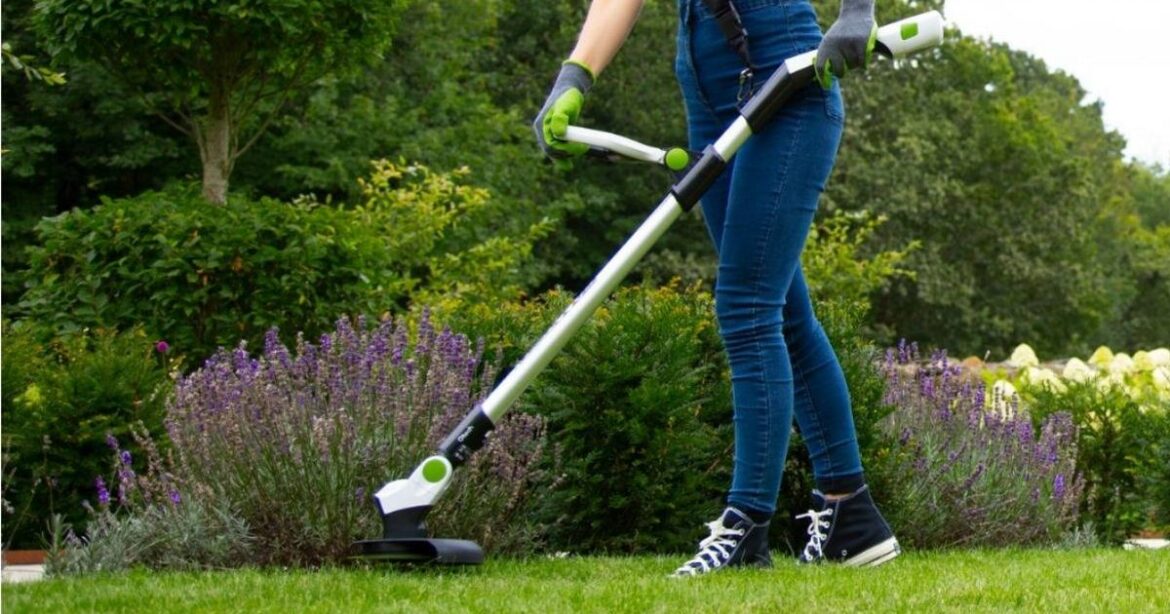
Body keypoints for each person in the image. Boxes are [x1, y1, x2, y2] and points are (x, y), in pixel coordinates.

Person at [533, 0, 899, 576]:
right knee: (783, 312)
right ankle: (850, 516)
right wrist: (574, 76)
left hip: (786, 67)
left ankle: (746, 528)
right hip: (704, 84)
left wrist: (857, 10)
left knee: (747, 306)